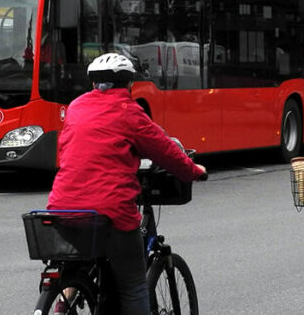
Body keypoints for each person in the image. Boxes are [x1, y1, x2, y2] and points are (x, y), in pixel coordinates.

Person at [47, 53, 206, 315]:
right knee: (133, 285)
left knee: (79, 261)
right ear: (128, 84)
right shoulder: (129, 111)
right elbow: (164, 149)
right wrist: (193, 171)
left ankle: (63, 303)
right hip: (109, 210)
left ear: (93, 83)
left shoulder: (76, 107)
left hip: (62, 207)